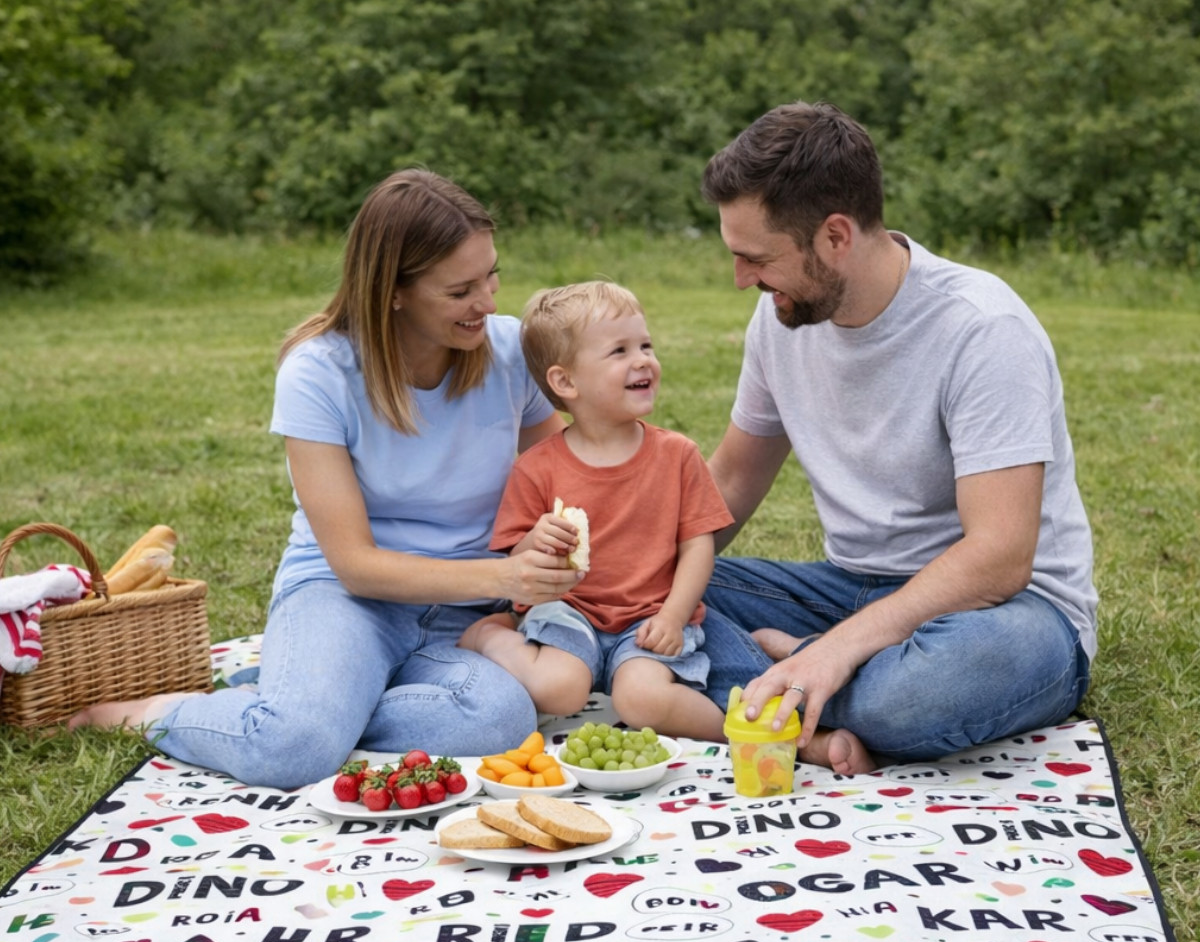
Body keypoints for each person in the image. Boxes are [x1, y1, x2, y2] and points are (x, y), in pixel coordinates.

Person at [70, 169, 580, 787]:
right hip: (349, 601)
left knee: (500, 717)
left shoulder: (509, 354)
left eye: (491, 275)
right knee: (294, 750)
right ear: (393, 291)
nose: (490, 302)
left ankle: (317, 702)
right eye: (460, 290)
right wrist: (504, 574)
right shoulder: (320, 372)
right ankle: (161, 713)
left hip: (465, 616)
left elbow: (561, 475)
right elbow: (354, 564)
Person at [696, 102, 1098, 775]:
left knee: (910, 698)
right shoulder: (779, 320)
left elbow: (1000, 558)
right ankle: (810, 693)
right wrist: (630, 574)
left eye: (755, 258)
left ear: (835, 236)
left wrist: (836, 647)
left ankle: (789, 675)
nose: (742, 280)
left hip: (1004, 612)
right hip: (849, 588)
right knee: (654, 593)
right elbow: (733, 479)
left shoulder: (982, 329)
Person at [458, 281, 733, 740]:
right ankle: (491, 636)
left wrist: (673, 615)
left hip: (649, 616)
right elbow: (515, 561)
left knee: (642, 699)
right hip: (567, 611)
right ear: (566, 382)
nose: (642, 360)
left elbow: (698, 547)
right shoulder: (536, 469)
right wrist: (534, 542)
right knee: (560, 689)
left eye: (645, 345)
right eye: (619, 351)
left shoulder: (678, 456)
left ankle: (742, 738)